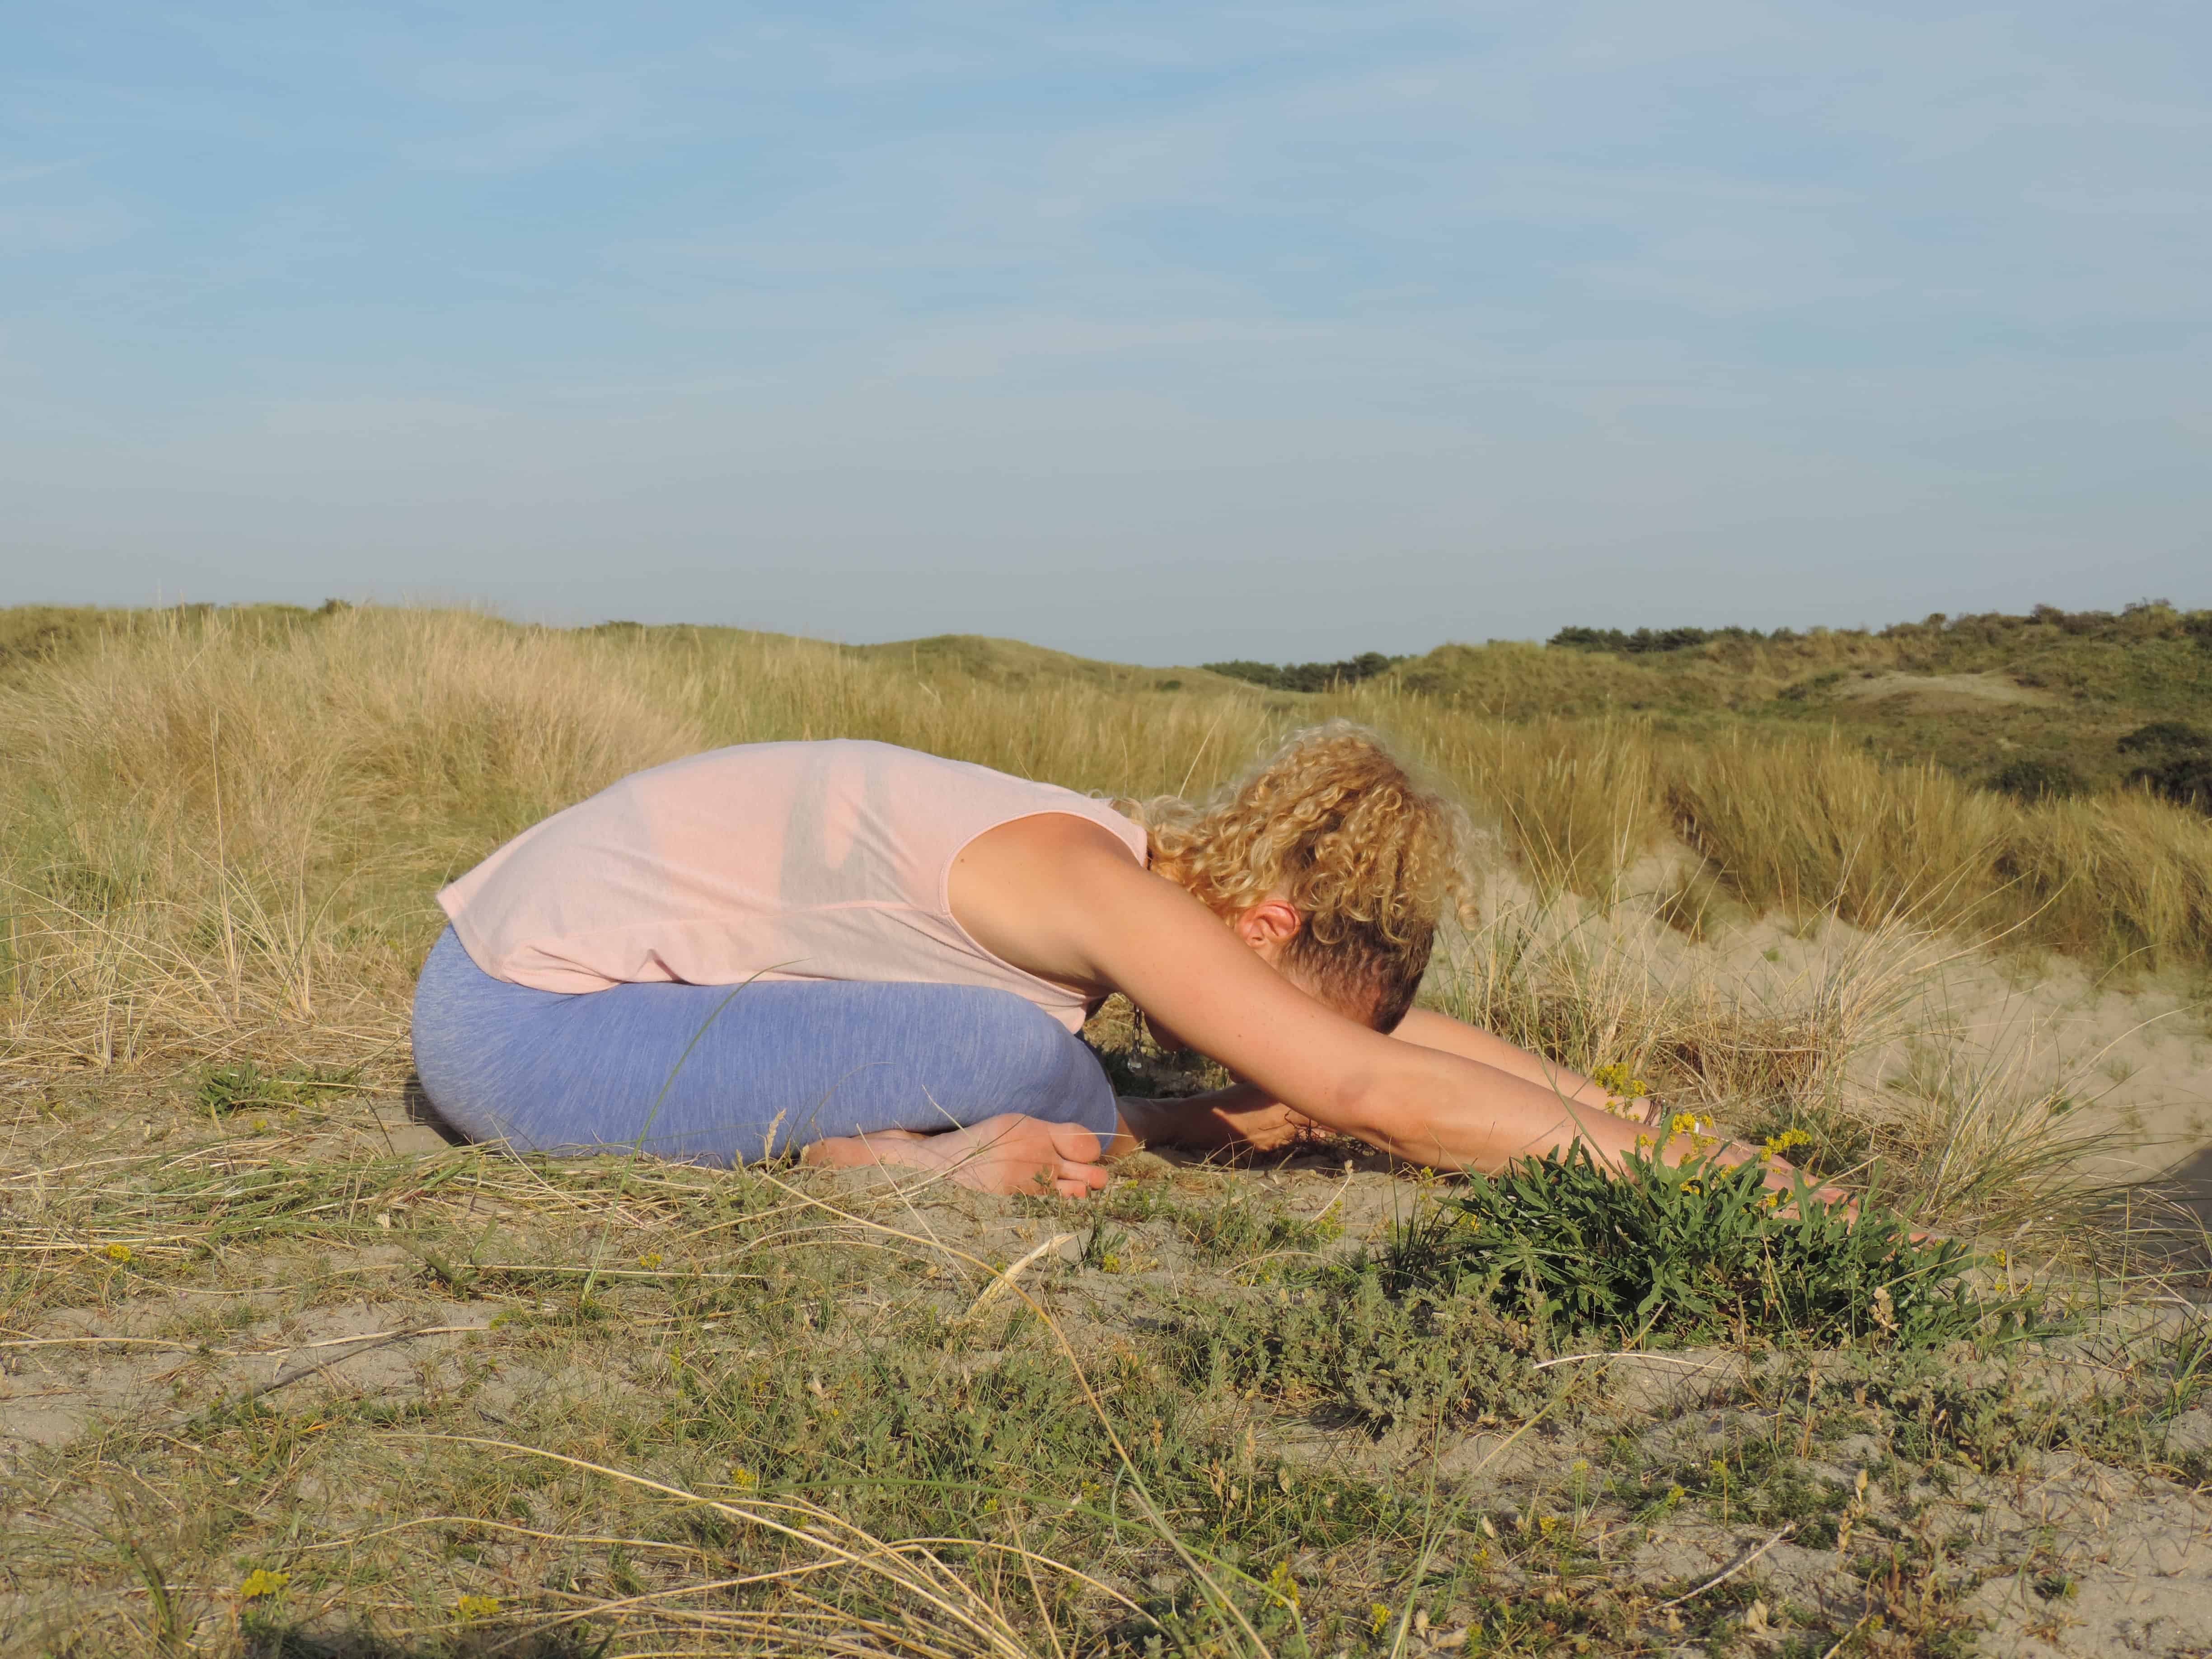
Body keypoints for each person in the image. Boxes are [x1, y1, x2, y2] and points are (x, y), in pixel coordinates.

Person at [412, 723, 1823, 1202]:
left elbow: (1381, 1053)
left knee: (1035, 1056)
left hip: (571, 997)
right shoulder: (1098, 888)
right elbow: (1365, 1086)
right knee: (1030, 1063)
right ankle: (903, 1167)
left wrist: (1670, 1135)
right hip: (525, 1032)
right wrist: (1735, 1196)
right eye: (1262, 1012)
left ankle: (916, 1145)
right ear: (1269, 932)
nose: (1248, 1038)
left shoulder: (1132, 867)